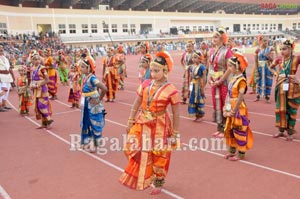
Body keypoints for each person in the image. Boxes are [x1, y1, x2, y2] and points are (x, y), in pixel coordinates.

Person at [119, 51, 180, 195]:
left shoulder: (171, 89)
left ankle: (159, 180)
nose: (152, 73)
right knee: (131, 146)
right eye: (151, 70)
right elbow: (137, 103)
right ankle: (147, 173)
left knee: (159, 153)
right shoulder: (146, 84)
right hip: (142, 122)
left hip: (160, 124)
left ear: (165, 71)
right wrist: (130, 119)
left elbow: (176, 113)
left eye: (156, 70)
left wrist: (175, 133)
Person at [223, 53, 253, 161]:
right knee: (230, 129)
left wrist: (234, 110)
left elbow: (240, 97)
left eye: (230, 66)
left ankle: (241, 153)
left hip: (238, 108)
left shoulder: (242, 80)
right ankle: (232, 151)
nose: (228, 68)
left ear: (237, 66)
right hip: (231, 106)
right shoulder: (233, 78)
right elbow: (228, 94)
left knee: (239, 129)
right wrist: (226, 108)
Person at [269, 39, 300, 141]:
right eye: (281, 49)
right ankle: (281, 130)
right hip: (281, 86)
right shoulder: (279, 59)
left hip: (293, 87)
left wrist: (298, 79)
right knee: (280, 109)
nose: (282, 51)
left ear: (290, 49)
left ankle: (290, 132)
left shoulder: (296, 58)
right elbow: (271, 67)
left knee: (291, 109)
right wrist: (277, 74)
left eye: (284, 49)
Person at [208, 27, 233, 138]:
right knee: (216, 104)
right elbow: (210, 66)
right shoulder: (212, 51)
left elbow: (230, 68)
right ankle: (219, 128)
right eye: (213, 36)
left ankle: (226, 128)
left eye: (216, 36)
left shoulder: (227, 51)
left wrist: (222, 80)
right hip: (214, 82)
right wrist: (209, 77)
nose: (214, 38)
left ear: (222, 39)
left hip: (224, 82)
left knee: (225, 104)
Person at [80, 58, 107, 152]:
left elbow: (104, 88)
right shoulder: (85, 77)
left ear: (89, 68)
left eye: (83, 66)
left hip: (93, 103)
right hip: (86, 102)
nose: (80, 68)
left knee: (95, 122)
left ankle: (96, 144)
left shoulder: (92, 78)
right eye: (80, 66)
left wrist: (99, 100)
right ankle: (87, 141)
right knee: (86, 122)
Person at [30, 52, 53, 129]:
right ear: (32, 61)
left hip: (42, 89)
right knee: (37, 106)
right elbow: (32, 78)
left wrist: (39, 84)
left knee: (42, 105)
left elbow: (47, 80)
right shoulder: (32, 68)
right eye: (35, 59)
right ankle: (44, 123)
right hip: (35, 89)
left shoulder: (42, 68)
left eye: (38, 59)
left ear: (40, 60)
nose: (36, 61)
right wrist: (32, 85)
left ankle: (49, 120)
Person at [254, 35, 275, 103]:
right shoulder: (257, 50)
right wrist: (256, 70)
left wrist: (269, 57)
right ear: (261, 41)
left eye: (267, 41)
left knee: (268, 82)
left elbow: (273, 60)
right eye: (264, 41)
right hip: (260, 68)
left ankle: (267, 97)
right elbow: (256, 61)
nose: (266, 42)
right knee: (259, 81)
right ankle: (258, 96)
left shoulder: (271, 49)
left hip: (268, 68)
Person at [188, 50, 206, 121]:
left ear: (199, 58)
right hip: (193, 84)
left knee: (198, 99)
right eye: (193, 57)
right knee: (192, 99)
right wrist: (190, 87)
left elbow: (204, 77)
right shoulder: (192, 66)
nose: (194, 59)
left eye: (196, 57)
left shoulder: (202, 67)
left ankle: (200, 115)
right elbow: (191, 77)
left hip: (199, 85)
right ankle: (196, 115)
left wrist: (203, 87)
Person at [0, 45, 14, 112]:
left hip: (7, 77)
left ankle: (4, 105)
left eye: (2, 48)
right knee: (2, 91)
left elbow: (8, 68)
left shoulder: (5, 58)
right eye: (0, 49)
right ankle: (0, 107)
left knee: (7, 91)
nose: (1, 50)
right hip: (1, 77)